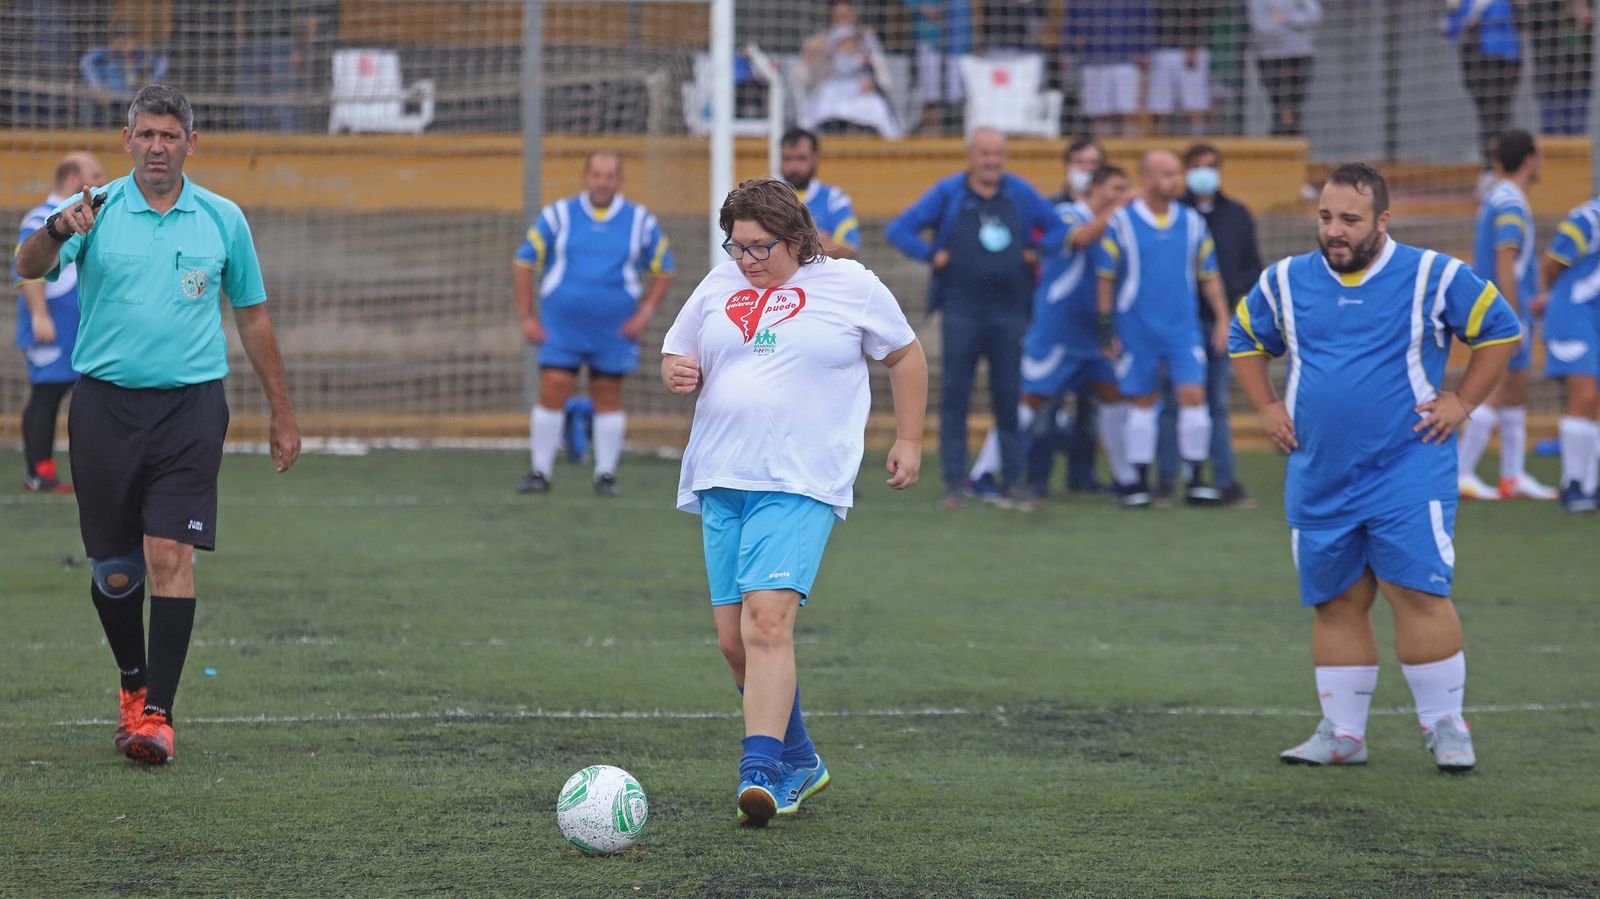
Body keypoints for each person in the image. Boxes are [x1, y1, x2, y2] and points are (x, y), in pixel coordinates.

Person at [14, 85, 301, 765]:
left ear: (190, 144)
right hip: (105, 409)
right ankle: (132, 683)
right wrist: (58, 229)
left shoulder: (223, 219)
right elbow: (25, 264)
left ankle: (160, 716)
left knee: (169, 555)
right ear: (127, 138)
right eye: (145, 134)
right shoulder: (94, 209)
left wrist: (283, 414)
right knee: (116, 571)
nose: (157, 147)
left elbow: (253, 316)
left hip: (191, 409)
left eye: (170, 136)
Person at [1231, 163, 1520, 771]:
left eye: (1350, 220)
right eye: (1326, 218)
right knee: (1335, 600)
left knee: (1418, 591)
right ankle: (1343, 734)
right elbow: (1245, 338)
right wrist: (1263, 405)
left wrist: (1462, 401)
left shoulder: (1433, 274)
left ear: (1382, 221)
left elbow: (1499, 330)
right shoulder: (1283, 279)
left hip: (1406, 467)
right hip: (1319, 471)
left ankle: (1446, 726)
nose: (1335, 231)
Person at [660, 178, 927, 827]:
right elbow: (678, 347)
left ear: (798, 238)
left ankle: (760, 772)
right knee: (734, 642)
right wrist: (677, 369)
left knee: (768, 624)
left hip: (801, 479)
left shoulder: (851, 284)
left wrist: (910, 439)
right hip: (721, 476)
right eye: (738, 245)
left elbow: (906, 353)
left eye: (760, 247)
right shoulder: (719, 283)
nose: (747, 260)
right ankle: (800, 757)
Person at [886, 127, 1065, 509]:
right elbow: (899, 228)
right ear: (971, 156)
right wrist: (930, 254)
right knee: (955, 398)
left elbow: (1058, 229)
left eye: (998, 154)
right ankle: (954, 483)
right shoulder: (950, 192)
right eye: (985, 154)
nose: (992, 161)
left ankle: (1013, 481)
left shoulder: (1019, 192)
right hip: (961, 312)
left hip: (1011, 313)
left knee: (1009, 398)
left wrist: (1038, 250)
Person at [514, 151, 675, 497]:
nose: (602, 182)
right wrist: (527, 315)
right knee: (554, 386)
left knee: (608, 394)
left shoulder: (640, 220)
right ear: (585, 177)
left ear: (620, 180)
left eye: (610, 176)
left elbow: (664, 267)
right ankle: (540, 470)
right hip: (561, 326)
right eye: (596, 175)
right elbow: (524, 261)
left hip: (615, 329)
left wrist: (645, 312)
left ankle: (605, 474)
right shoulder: (558, 215)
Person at [1095, 150, 1230, 507]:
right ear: (1148, 179)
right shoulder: (1122, 222)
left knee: (1194, 397)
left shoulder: (1193, 223)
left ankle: (1196, 479)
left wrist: (1222, 317)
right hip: (1137, 326)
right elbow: (1105, 277)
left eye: (1176, 173)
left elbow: (1209, 274)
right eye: (1167, 174)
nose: (1175, 180)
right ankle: (1139, 481)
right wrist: (1106, 326)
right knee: (1142, 401)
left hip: (1182, 327)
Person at [1016, 164, 1133, 500]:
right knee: (1035, 402)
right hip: (1056, 330)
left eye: (1125, 189)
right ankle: (998, 475)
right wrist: (1115, 210)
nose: (1121, 196)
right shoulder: (1067, 214)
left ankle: (1124, 480)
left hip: (1094, 333)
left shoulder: (1116, 224)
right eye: (1115, 188)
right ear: (1095, 188)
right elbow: (1080, 239)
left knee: (1111, 397)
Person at [1154, 143, 1261, 507]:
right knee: (1171, 402)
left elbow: (1251, 269)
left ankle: (1224, 480)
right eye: (1196, 166)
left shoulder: (1237, 215)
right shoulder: (1174, 214)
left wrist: (1228, 315)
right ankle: (1166, 481)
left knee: (1215, 403)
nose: (1204, 173)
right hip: (1178, 324)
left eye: (1210, 166)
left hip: (1220, 323)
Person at [1458, 130, 1559, 501]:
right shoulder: (1511, 204)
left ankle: (1512, 476)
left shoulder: (1497, 197)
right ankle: (1461, 471)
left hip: (1501, 309)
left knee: (1517, 388)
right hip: (1505, 313)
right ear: (1530, 160)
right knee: (1499, 390)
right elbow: (1506, 259)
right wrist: (1511, 318)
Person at [13, 152, 105, 492]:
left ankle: (47, 471)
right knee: (46, 396)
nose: (101, 181)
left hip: (72, 328)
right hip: (50, 326)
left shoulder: (86, 216)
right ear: (72, 180)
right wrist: (39, 315)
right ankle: (39, 473)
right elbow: (25, 271)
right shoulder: (41, 217)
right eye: (94, 175)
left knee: (68, 395)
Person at [1538, 192, 1600, 511]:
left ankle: (1589, 486)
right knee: (1585, 395)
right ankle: (1573, 484)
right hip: (1573, 314)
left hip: (1591, 316)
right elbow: (1551, 263)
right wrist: (1559, 298)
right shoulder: (1590, 217)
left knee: (1594, 400)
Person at [798, 1, 904, 140]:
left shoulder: (866, 38)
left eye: (846, 16)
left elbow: (881, 69)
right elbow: (803, 77)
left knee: (877, 106)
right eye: (838, 17)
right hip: (831, 88)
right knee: (821, 104)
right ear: (831, 19)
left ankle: (893, 145)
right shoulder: (820, 41)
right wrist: (810, 54)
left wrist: (874, 82)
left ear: (853, 16)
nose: (843, 21)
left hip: (860, 88)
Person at [1445, 0, 1522, 180]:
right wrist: (1452, 10)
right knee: (1486, 118)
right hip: (1476, 61)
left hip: (1503, 60)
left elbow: (1508, 18)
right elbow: (1451, 31)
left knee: (1499, 117)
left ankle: (1502, 169)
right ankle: (1489, 170)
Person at [1061, 0, 1152, 136]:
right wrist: (1067, 52)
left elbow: (1145, 19)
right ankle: (1103, 150)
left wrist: (1145, 50)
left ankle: (1127, 151)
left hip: (1127, 59)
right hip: (1093, 60)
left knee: (1128, 112)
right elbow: (1071, 22)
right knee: (1100, 114)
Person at [778, 128, 860, 260]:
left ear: (815, 159)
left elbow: (849, 249)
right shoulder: (765, 198)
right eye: (788, 159)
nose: (794, 166)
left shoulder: (835, 199)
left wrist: (787, 242)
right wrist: (815, 242)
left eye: (801, 158)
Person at [901, 0, 974, 134]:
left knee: (957, 98)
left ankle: (952, 137)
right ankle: (931, 139)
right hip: (929, 40)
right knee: (931, 97)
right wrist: (922, 7)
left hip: (958, 42)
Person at [1249, 0, 1321, 136]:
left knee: (1296, 103)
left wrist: (1284, 18)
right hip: (1269, 56)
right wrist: (1296, 28)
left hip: (1301, 53)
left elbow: (1314, 17)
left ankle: (1294, 138)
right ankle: (1279, 141)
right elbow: (1262, 27)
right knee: (1280, 105)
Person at [1148, 0, 1219, 135]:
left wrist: (1195, 45)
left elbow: (1207, 15)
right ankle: (1158, 143)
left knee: (1195, 103)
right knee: (1159, 105)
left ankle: (1197, 140)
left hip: (1192, 50)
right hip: (1163, 49)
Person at [1526, 0, 1594, 136]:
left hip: (1579, 84)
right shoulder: (1543, 6)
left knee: (1575, 134)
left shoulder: (1587, 4)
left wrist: (1583, 15)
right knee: (1550, 133)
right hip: (1549, 83)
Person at [79, 24, 169, 126]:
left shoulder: (141, 55)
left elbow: (162, 62)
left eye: (129, 40)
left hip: (132, 101)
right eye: (121, 40)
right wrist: (97, 86)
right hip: (107, 102)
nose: (125, 44)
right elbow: (86, 61)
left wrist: (151, 81)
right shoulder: (104, 56)